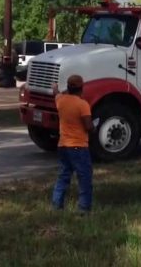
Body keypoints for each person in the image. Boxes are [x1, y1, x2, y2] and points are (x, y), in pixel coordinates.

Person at [51, 74, 94, 213]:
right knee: (84, 178)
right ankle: (83, 208)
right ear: (82, 87)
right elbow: (88, 126)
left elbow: (56, 94)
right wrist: (95, 126)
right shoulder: (83, 105)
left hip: (63, 145)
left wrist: (56, 88)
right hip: (79, 146)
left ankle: (57, 205)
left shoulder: (60, 101)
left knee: (63, 176)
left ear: (68, 87)